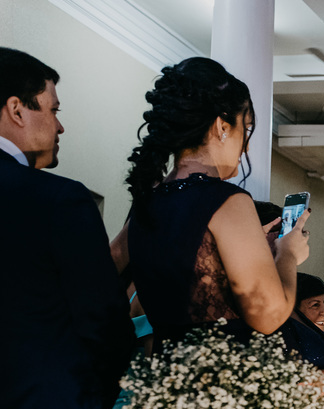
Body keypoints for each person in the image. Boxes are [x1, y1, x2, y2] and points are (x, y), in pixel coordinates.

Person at [0, 48, 133, 409]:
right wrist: (100, 399)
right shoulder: (57, 200)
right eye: (53, 109)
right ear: (16, 109)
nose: (60, 125)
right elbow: (100, 320)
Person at [117, 57, 310, 344]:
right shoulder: (226, 201)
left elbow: (107, 270)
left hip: (162, 375)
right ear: (222, 126)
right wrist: (288, 254)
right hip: (218, 380)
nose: (245, 147)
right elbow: (268, 317)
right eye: (245, 129)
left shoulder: (147, 202)